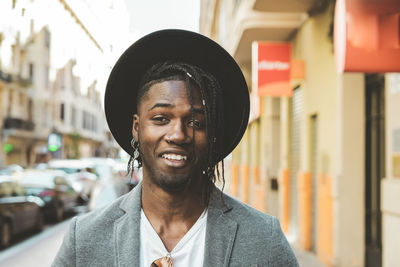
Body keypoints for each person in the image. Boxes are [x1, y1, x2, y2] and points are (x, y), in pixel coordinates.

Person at [52, 29, 299, 267]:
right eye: (161, 118)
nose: (178, 135)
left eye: (195, 122)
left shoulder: (264, 239)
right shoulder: (84, 239)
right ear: (136, 128)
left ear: (211, 134)